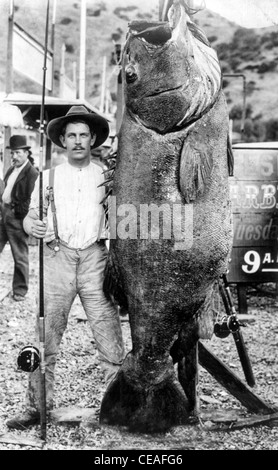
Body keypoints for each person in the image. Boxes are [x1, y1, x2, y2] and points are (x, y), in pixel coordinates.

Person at [6, 105, 125, 430]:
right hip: (56, 259)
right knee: (46, 336)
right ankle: (36, 407)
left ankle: (118, 408)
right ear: (62, 139)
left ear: (92, 139)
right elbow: (30, 218)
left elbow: (122, 220)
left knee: (109, 336)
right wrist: (34, 227)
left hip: (94, 260)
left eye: (83, 135)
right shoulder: (48, 176)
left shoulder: (106, 175)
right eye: (71, 135)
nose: (77, 141)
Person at [0, 135, 38, 301]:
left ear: (26, 153)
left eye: (17, 153)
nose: (14, 156)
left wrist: (18, 214)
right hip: (4, 215)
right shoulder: (11, 169)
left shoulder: (32, 173)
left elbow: (31, 199)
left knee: (20, 255)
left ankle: (20, 291)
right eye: (12, 153)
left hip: (17, 218)